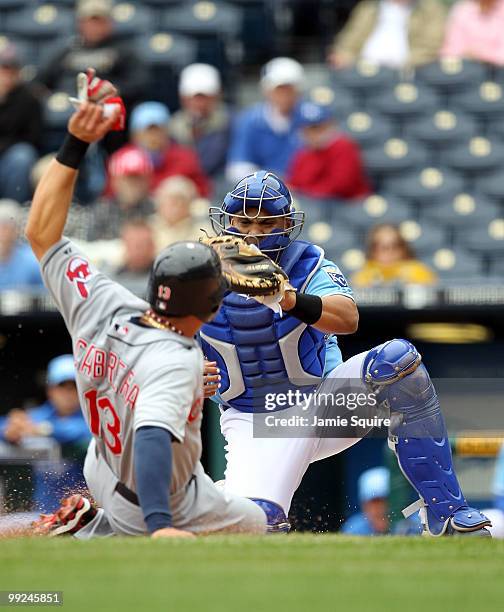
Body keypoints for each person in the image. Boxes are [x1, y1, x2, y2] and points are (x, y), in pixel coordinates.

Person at [22, 73, 269, 539]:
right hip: (157, 498)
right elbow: (153, 435)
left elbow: (40, 233)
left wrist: (75, 142)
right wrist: (159, 526)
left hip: (103, 466)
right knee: (259, 524)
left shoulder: (105, 300)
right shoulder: (177, 358)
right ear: (213, 308)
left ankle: (97, 523)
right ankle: (102, 532)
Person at [200, 170, 490, 536]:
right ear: (227, 221)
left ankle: (446, 512)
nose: (254, 233)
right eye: (244, 221)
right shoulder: (197, 276)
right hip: (255, 421)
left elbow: (347, 317)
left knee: (397, 361)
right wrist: (190, 373)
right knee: (257, 524)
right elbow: (162, 345)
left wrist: (286, 297)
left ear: (287, 223)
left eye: (266, 221)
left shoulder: (308, 264)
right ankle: (204, 504)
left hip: (322, 401)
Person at [0, 355, 90, 513]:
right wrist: (9, 430)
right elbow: (8, 425)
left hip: (85, 514)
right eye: (62, 385)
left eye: (74, 386)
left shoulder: (93, 417)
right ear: (51, 390)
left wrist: (43, 430)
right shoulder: (39, 416)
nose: (68, 392)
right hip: (43, 513)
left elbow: (82, 433)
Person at [36, 0, 147, 109]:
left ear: (110, 23)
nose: (95, 27)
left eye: (100, 21)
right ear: (80, 24)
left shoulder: (123, 51)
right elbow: (41, 82)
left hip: (105, 108)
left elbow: (138, 83)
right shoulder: (66, 51)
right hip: (66, 107)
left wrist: (114, 91)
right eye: (90, 21)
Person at [226, 58, 305, 184]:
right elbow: (238, 167)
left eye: (289, 89)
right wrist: (272, 182)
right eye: (279, 89)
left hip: (307, 192)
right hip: (265, 193)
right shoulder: (250, 120)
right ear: (267, 91)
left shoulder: (310, 118)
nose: (284, 95)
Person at [116, 101, 210, 197]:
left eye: (158, 130)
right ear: (135, 135)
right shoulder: (121, 159)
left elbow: (203, 192)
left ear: (168, 132)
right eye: (147, 131)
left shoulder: (185, 158)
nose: (153, 137)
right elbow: (111, 195)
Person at [286, 101, 372, 200]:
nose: (313, 133)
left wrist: (305, 193)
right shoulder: (304, 151)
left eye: (317, 127)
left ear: (329, 125)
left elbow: (341, 186)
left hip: (347, 203)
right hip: (315, 203)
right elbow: (296, 181)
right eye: (309, 129)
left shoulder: (343, 146)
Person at [328, 0, 446, 70]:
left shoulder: (429, 8)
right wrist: (344, 56)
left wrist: (404, 65)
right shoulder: (369, 7)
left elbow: (430, 46)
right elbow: (349, 40)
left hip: (408, 71)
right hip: (363, 68)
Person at [170, 64, 232, 178]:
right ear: (183, 98)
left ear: (217, 96)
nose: (199, 103)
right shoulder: (173, 126)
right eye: (193, 97)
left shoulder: (231, 123)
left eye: (205, 97)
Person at [0, 43, 42, 202]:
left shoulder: (29, 98)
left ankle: (13, 206)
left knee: (23, 156)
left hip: (11, 153)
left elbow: (33, 138)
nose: (7, 74)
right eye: (3, 68)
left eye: (11, 69)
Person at [88, 146, 155, 241]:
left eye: (138, 178)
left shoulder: (158, 209)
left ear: (148, 180)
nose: (133, 184)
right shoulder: (101, 211)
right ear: (114, 180)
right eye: (127, 179)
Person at [352, 224, 437, 287]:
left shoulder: (419, 272)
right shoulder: (362, 276)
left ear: (404, 249)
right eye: (383, 247)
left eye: (395, 246)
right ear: (372, 250)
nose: (389, 252)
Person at [149, 176, 208, 253]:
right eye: (169, 200)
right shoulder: (148, 228)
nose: (174, 206)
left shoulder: (203, 231)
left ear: (190, 204)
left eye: (180, 200)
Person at [441, 0, 504, 65]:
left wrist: (479, 54)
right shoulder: (463, 9)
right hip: (466, 67)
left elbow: (501, 55)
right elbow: (451, 50)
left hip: (497, 70)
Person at [0, 199, 44, 291]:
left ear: (16, 230)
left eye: (6, 227)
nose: (2, 233)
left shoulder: (32, 262)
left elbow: (46, 299)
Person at [340, 467, 390, 535]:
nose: (381, 508)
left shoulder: (408, 525)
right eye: (375, 502)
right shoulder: (354, 529)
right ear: (364, 505)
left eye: (384, 500)